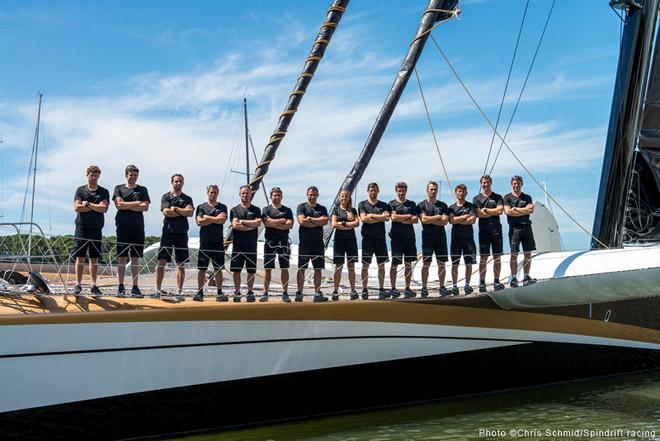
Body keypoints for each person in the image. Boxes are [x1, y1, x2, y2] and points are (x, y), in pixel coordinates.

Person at [112, 164, 150, 298]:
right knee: (122, 258)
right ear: (126, 175)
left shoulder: (142, 189)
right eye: (130, 175)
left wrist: (127, 205)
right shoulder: (119, 188)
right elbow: (119, 205)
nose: (132, 177)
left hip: (138, 227)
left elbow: (145, 207)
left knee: (135, 258)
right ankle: (120, 286)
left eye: (135, 175)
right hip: (122, 226)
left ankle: (135, 287)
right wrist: (136, 203)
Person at [72, 165, 109, 296]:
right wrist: (95, 206)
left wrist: (87, 204)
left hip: (96, 228)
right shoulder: (80, 190)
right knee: (80, 257)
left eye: (96, 175)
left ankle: (94, 284)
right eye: (91, 175)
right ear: (87, 175)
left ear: (99, 176)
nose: (93, 177)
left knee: (94, 258)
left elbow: (104, 208)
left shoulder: (104, 192)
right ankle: (78, 284)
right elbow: (77, 207)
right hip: (82, 228)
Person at [156, 174, 194, 299]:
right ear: (172, 182)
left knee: (180, 263)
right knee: (162, 261)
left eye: (180, 181)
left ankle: (179, 291)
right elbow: (166, 212)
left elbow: (190, 212)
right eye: (176, 181)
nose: (178, 183)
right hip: (167, 232)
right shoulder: (166, 196)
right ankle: (158, 289)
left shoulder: (187, 198)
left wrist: (175, 209)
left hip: (182, 233)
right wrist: (181, 212)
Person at [193, 185, 227, 302]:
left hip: (218, 242)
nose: (213, 194)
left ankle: (219, 292)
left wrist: (207, 217)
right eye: (211, 192)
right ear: (208, 193)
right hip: (205, 242)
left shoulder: (222, 207)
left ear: (218, 193)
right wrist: (214, 218)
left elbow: (222, 220)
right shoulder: (201, 207)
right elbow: (199, 222)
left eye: (215, 193)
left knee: (218, 269)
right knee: (202, 269)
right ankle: (199, 292)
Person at [358, 183, 391, 300]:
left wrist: (371, 215)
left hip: (380, 239)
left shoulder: (383, 205)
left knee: (381, 265)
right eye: (371, 190)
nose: (373, 192)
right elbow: (364, 219)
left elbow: (386, 217)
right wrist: (379, 217)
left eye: (375, 190)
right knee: (365, 265)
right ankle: (364, 289)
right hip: (367, 239)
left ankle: (382, 289)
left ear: (378, 191)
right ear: (367, 191)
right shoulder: (362, 204)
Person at [472, 175, 505, 293]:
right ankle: (482, 282)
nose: (486, 185)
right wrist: (492, 212)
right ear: (481, 184)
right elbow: (479, 214)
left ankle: (496, 281)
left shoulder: (497, 197)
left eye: (487, 182)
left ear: (491, 183)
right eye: (484, 183)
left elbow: (500, 211)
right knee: (483, 258)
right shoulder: (476, 199)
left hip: (496, 231)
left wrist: (486, 210)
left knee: (497, 257)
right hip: (484, 231)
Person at [296, 186, 329, 302]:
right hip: (305, 243)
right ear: (307, 194)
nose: (312, 196)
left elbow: (325, 221)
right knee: (301, 268)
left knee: (318, 269)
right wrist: (317, 222)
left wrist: (310, 220)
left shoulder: (322, 208)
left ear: (317, 195)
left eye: (314, 195)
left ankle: (317, 292)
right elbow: (302, 222)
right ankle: (299, 292)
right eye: (310, 194)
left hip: (318, 243)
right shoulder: (301, 207)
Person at [503, 175, 537, 287]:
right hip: (514, 228)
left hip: (526, 227)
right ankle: (513, 278)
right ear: (511, 184)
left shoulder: (527, 197)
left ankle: (526, 276)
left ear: (521, 184)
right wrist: (523, 211)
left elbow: (531, 209)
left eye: (518, 183)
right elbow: (508, 212)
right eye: (514, 184)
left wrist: (516, 209)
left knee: (528, 252)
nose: (516, 185)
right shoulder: (507, 197)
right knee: (514, 254)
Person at [230, 185, 262, 302]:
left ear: (250, 194)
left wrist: (243, 222)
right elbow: (235, 225)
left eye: (247, 193)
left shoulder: (256, 210)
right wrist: (250, 225)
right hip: (238, 245)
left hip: (251, 245)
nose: (245, 195)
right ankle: (237, 291)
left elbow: (258, 223)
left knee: (251, 271)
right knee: (236, 270)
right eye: (243, 193)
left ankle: (250, 291)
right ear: (240, 195)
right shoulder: (234, 210)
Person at [262, 187, 294, 302]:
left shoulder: (287, 210)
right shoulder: (266, 210)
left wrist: (273, 222)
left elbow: (290, 225)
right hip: (270, 242)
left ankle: (285, 293)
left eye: (279, 195)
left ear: (282, 197)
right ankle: (265, 293)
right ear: (271, 196)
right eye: (274, 195)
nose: (277, 197)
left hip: (283, 243)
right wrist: (281, 221)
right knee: (267, 268)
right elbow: (266, 223)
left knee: (284, 268)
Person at [417, 181, 449, 297]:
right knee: (426, 263)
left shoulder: (443, 205)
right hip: (427, 238)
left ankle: (442, 287)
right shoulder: (421, 205)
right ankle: (424, 287)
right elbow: (424, 220)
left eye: (435, 189)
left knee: (442, 264)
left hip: (441, 238)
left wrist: (431, 220)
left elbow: (445, 221)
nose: (433, 191)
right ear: (427, 190)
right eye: (431, 189)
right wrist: (438, 217)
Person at [388, 181, 418, 298]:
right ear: (396, 191)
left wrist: (401, 218)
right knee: (395, 263)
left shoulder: (412, 204)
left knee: (408, 263)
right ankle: (393, 288)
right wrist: (408, 216)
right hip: (396, 238)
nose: (401, 193)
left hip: (409, 237)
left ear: (406, 191)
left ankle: (407, 288)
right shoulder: (392, 204)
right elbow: (393, 217)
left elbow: (415, 219)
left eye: (403, 190)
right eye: (399, 191)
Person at [331, 189, 360, 301]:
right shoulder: (336, 210)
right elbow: (334, 224)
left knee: (351, 267)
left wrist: (342, 224)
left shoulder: (353, 210)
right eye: (342, 196)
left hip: (351, 240)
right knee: (339, 267)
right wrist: (348, 225)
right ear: (340, 197)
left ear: (349, 198)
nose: (344, 198)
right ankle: (335, 290)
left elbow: (357, 223)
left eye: (346, 196)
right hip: (339, 240)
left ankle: (353, 290)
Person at [448, 184, 477, 295]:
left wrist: (458, 219)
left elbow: (472, 220)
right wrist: (464, 217)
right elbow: (452, 220)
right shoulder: (451, 207)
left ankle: (467, 284)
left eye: (463, 191)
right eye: (459, 191)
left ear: (466, 193)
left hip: (468, 239)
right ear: (456, 193)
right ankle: (455, 285)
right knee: (455, 264)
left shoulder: (471, 206)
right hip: (456, 239)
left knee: (468, 263)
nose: (461, 193)